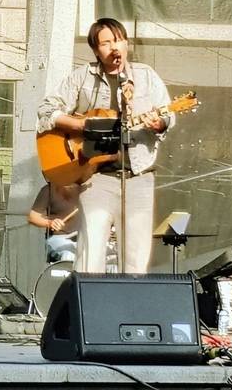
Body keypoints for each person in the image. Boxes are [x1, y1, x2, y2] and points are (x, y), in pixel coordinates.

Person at [37, 18, 172, 274]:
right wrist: (78, 126)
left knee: (135, 260)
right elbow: (46, 109)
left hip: (139, 176)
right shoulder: (82, 77)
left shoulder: (145, 75)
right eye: (106, 43)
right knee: (90, 256)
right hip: (96, 178)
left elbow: (168, 115)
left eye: (119, 40)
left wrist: (160, 123)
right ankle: (87, 308)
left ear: (127, 43)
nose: (114, 47)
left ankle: (130, 311)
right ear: (96, 49)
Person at [27, 183, 81, 262]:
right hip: (59, 237)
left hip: (83, 237)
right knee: (69, 255)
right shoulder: (49, 189)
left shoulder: (88, 188)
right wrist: (50, 223)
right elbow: (33, 217)